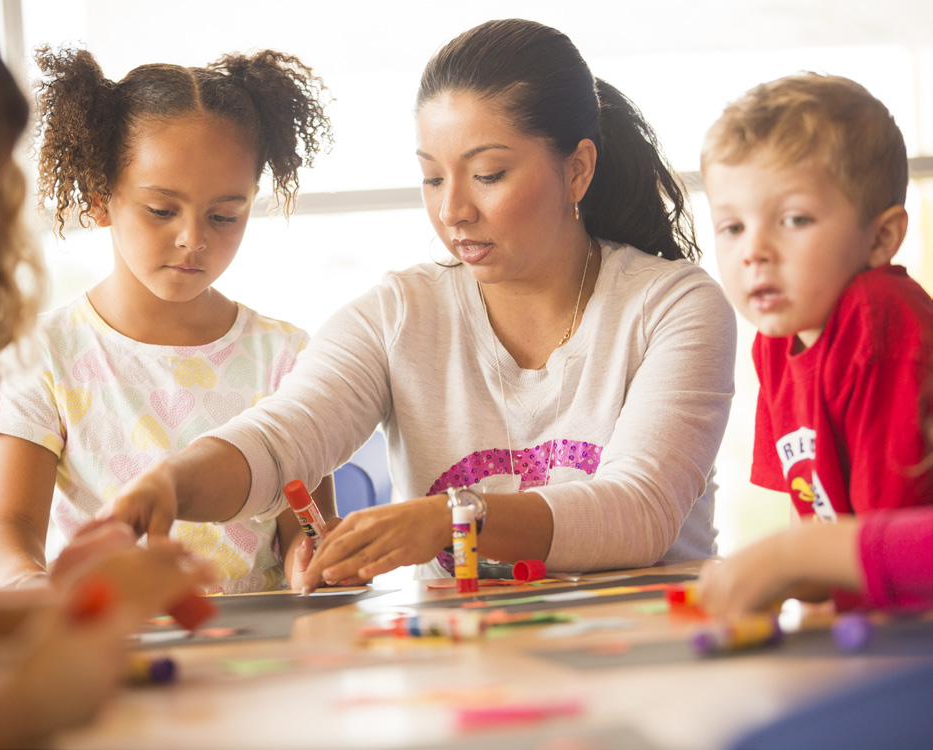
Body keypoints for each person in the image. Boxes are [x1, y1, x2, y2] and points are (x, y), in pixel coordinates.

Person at [104, 19, 737, 588]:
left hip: (653, 662)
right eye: (433, 177)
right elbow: (282, 437)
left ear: (576, 170)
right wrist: (171, 484)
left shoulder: (673, 306)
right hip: (463, 675)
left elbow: (640, 511)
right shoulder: (396, 314)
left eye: (487, 174)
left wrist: (446, 518)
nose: (452, 210)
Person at [0, 45, 335, 594]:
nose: (193, 239)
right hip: (107, 649)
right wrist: (31, 586)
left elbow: (304, 530)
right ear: (100, 198)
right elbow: (9, 530)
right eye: (161, 210)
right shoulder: (45, 354)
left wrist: (313, 561)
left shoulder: (287, 356)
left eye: (225, 215)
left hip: (261, 653)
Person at [0, 40, 214, 749]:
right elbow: (30, 706)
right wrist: (91, 624)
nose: (2, 230)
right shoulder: (49, 353)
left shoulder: (287, 351)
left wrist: (83, 601)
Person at [697, 73, 933, 616]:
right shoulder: (777, 345)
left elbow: (878, 549)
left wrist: (790, 565)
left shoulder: (879, 321)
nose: (754, 251)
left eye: (794, 220)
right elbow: (817, 533)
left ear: (881, 238)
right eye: (731, 227)